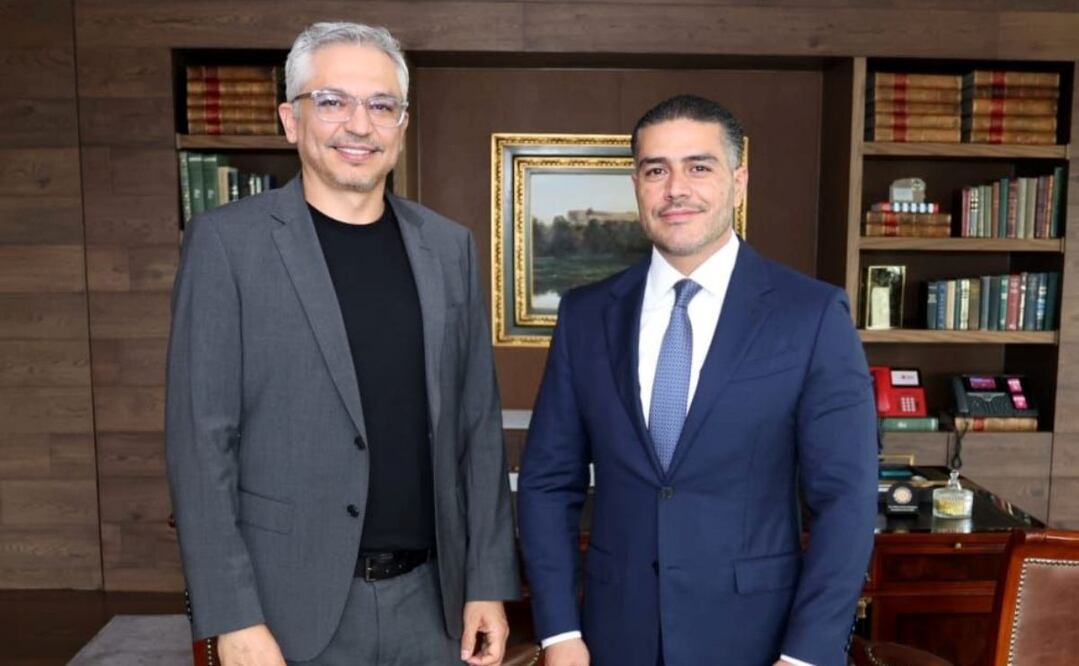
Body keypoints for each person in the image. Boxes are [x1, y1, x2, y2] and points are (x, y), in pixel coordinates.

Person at [166, 22, 519, 666]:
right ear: (290, 120)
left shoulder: (449, 248)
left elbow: (477, 431)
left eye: (381, 105)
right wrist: (231, 614)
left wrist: (488, 585)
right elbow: (200, 443)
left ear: (401, 123)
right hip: (285, 608)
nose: (359, 125)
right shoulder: (226, 245)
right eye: (332, 101)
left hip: (433, 605)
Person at [517, 94, 878, 666]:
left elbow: (847, 500)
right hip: (611, 641)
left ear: (738, 181)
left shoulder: (810, 315)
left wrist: (807, 654)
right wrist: (559, 632)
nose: (675, 188)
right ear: (637, 185)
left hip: (759, 643)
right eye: (655, 170)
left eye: (698, 167)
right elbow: (546, 483)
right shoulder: (585, 316)